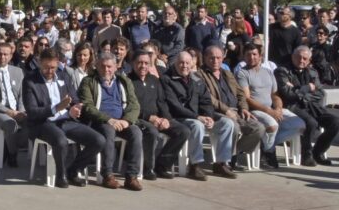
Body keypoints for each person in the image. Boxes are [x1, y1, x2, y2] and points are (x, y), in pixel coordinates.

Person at [22, 48, 105, 188]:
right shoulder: (30, 80)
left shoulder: (63, 76)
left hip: (66, 120)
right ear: (39, 63)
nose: (50, 71)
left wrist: (75, 108)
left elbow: (75, 99)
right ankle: (61, 176)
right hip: (42, 122)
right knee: (61, 141)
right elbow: (32, 112)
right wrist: (56, 108)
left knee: (98, 140)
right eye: (46, 67)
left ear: (58, 64)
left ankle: (73, 170)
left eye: (53, 67)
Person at [161, 50, 236, 180]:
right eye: (181, 63)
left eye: (187, 63)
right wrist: (198, 117)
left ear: (192, 64)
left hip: (199, 116)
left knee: (227, 123)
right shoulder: (167, 79)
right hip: (179, 118)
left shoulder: (197, 79)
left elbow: (206, 101)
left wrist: (209, 117)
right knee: (197, 125)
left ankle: (221, 163)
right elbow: (175, 106)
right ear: (175, 63)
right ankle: (194, 165)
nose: (184, 66)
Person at [77, 53, 143, 190]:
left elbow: (134, 105)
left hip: (121, 121)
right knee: (108, 131)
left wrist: (127, 120)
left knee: (136, 132)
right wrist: (108, 120)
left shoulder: (124, 81)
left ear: (115, 67)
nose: (106, 70)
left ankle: (131, 176)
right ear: (97, 66)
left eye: (109, 66)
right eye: (103, 66)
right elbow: (88, 107)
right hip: (99, 121)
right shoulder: (88, 82)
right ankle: (107, 175)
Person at [235, 44, 305, 168]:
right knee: (272, 125)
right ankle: (269, 152)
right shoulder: (242, 73)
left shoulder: (268, 72)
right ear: (244, 57)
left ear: (260, 56)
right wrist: (269, 111)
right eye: (248, 55)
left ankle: (265, 145)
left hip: (271, 108)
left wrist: (278, 108)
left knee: (300, 125)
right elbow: (247, 98)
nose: (252, 57)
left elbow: (275, 95)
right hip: (254, 110)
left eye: (254, 54)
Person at [128, 51, 188, 180]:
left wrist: (166, 119)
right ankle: (148, 168)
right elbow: (130, 106)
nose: (143, 66)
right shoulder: (128, 81)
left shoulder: (154, 80)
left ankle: (162, 165)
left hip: (158, 118)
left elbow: (162, 102)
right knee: (152, 132)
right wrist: (150, 118)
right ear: (133, 63)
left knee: (183, 131)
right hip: (139, 118)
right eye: (139, 63)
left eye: (146, 63)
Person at [275, 46, 339, 166]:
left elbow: (320, 94)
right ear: (293, 57)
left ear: (309, 60)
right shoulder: (282, 71)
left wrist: (297, 90)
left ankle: (318, 152)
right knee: (311, 123)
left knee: (335, 122)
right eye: (298, 57)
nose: (301, 60)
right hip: (292, 106)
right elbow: (288, 95)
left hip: (311, 106)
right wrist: (307, 88)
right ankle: (306, 155)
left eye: (305, 58)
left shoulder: (312, 72)